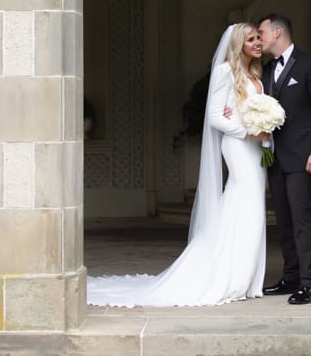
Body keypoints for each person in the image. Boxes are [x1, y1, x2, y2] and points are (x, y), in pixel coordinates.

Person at [87, 23, 270, 307]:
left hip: (258, 151)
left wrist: (266, 143)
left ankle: (246, 278)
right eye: (251, 39)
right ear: (238, 44)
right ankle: (229, 277)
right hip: (238, 146)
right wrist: (247, 131)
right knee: (245, 205)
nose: (258, 42)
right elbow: (215, 118)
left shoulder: (257, 74)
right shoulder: (224, 72)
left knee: (252, 208)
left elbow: (261, 118)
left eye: (259, 37)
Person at [257, 13, 311, 305]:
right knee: (284, 220)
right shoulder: (267, 69)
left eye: (262, 32)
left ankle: (310, 283)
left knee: (302, 219)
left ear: (277, 33)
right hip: (274, 157)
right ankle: (290, 277)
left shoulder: (310, 65)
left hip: (304, 157)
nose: (259, 37)